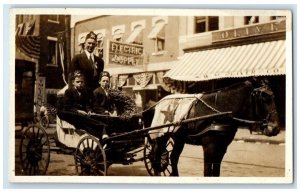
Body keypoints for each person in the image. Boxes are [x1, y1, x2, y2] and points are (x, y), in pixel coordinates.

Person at [93, 71, 114, 139]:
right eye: (103, 81)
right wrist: (105, 111)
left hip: (109, 112)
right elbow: (95, 105)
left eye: (107, 81)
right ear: (100, 82)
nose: (105, 83)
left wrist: (114, 110)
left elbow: (113, 103)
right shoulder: (96, 92)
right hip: (100, 113)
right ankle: (104, 134)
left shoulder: (110, 92)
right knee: (106, 117)